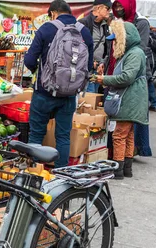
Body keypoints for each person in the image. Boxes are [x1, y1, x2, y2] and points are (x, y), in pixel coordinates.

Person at [24, 0, 94, 168]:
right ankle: (62, 176)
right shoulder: (84, 32)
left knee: (36, 134)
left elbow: (29, 60)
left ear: (53, 13)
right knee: (63, 136)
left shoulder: (47, 29)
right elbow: (88, 66)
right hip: (70, 94)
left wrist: (38, 72)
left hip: (44, 92)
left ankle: (34, 173)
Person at [96, 20, 148, 179]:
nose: (114, 43)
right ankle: (127, 169)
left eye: (116, 39)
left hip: (129, 98)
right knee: (128, 134)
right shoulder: (133, 52)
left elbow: (126, 77)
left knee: (119, 135)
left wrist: (104, 80)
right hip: (131, 98)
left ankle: (118, 171)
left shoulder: (134, 53)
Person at [110, 0, 153, 156]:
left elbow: (141, 47)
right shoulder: (115, 22)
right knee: (126, 130)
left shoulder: (141, 23)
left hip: (135, 75)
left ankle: (127, 158)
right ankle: (125, 160)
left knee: (128, 124)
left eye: (122, 6)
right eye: (117, 7)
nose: (119, 9)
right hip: (120, 70)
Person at [79, 0, 112, 93]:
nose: (109, 12)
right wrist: (90, 60)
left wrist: (103, 62)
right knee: (89, 95)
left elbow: (106, 47)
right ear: (98, 8)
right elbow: (78, 46)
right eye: (107, 8)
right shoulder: (83, 23)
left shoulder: (105, 25)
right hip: (86, 68)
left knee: (95, 95)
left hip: (99, 69)